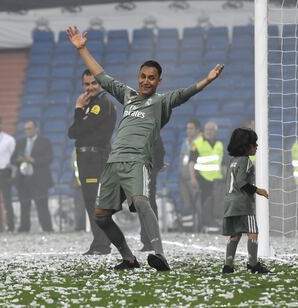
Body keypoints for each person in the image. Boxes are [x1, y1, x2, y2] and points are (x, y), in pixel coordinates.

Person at [66, 25, 224, 271]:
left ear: (159, 81)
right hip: (113, 162)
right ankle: (128, 258)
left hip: (137, 161)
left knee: (141, 202)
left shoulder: (161, 101)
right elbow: (101, 76)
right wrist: (82, 49)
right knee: (100, 217)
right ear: (138, 76)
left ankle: (159, 254)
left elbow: (184, 94)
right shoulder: (127, 95)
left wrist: (207, 80)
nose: (146, 81)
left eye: (152, 78)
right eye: (143, 76)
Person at [68, 69, 117, 255]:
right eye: (86, 84)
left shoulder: (101, 103)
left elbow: (81, 128)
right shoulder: (91, 104)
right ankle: (99, 243)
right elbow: (72, 132)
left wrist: (78, 109)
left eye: (93, 83)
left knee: (95, 201)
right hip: (86, 158)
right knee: (90, 201)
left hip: (95, 158)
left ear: (101, 84)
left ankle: (102, 244)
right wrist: (82, 113)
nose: (89, 88)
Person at [222, 128, 270, 274]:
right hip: (242, 203)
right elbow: (242, 182)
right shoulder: (245, 160)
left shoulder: (233, 161)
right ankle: (253, 264)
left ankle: (228, 266)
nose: (256, 146)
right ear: (245, 146)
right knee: (253, 231)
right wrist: (258, 190)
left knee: (235, 234)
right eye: (253, 143)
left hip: (229, 201)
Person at [11, 120, 54, 232]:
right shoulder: (20, 143)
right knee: (24, 206)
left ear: (36, 129)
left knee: (42, 205)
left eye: (29, 128)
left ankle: (47, 228)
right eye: (25, 129)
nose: (27, 131)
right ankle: (24, 228)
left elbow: (49, 159)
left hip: (39, 180)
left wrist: (33, 160)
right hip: (23, 180)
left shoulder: (45, 142)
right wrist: (19, 160)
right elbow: (12, 159)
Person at [189, 120, 225, 232]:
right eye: (207, 129)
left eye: (211, 129)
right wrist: (193, 178)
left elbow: (223, 162)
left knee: (216, 202)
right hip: (202, 178)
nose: (209, 131)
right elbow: (191, 163)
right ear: (204, 130)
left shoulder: (220, 144)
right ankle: (205, 224)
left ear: (215, 131)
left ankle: (214, 223)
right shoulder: (197, 143)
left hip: (217, 178)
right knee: (205, 202)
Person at [139, 136, 165, 251]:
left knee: (145, 203)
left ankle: (150, 240)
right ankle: (149, 240)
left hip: (144, 167)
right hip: (145, 167)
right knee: (145, 202)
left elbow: (159, 149)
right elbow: (160, 149)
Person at [178, 118, 201, 230]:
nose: (188, 130)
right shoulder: (186, 141)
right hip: (183, 178)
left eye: (191, 128)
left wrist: (194, 176)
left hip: (195, 178)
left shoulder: (201, 142)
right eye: (187, 128)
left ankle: (201, 227)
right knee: (186, 204)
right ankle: (189, 229)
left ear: (197, 129)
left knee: (198, 204)